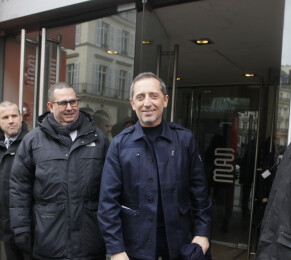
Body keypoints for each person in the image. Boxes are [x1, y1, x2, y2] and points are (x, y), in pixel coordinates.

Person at [98, 72, 212, 260]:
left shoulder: (184, 140)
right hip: (135, 248)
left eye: (154, 95)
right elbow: (108, 203)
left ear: (165, 100)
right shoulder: (119, 145)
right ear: (132, 103)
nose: (147, 103)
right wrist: (116, 249)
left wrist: (202, 234)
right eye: (140, 97)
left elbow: (200, 194)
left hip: (179, 245)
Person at [9, 82, 109, 260]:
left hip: (90, 242)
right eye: (63, 103)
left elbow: (111, 189)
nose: (69, 107)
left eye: (73, 102)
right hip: (49, 241)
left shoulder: (99, 139)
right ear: (50, 106)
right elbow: (19, 187)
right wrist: (21, 228)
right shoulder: (33, 141)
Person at [255, 131, 291, 260]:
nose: (278, 141)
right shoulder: (273, 154)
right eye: (276, 139)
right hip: (279, 243)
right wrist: (263, 195)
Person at [0, 101, 31, 260]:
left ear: (21, 117)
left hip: (29, 229)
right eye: (5, 117)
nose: (11, 120)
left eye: (14, 116)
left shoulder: (32, 143)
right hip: (5, 228)